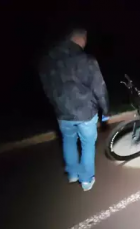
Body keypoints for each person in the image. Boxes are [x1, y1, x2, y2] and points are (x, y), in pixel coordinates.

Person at [39, 28, 109, 191]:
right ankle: (86, 180)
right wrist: (105, 110)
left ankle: (72, 174)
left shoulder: (48, 61)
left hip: (62, 112)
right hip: (85, 112)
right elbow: (99, 87)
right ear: (81, 39)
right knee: (87, 144)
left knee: (68, 141)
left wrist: (55, 104)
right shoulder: (86, 60)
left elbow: (46, 88)